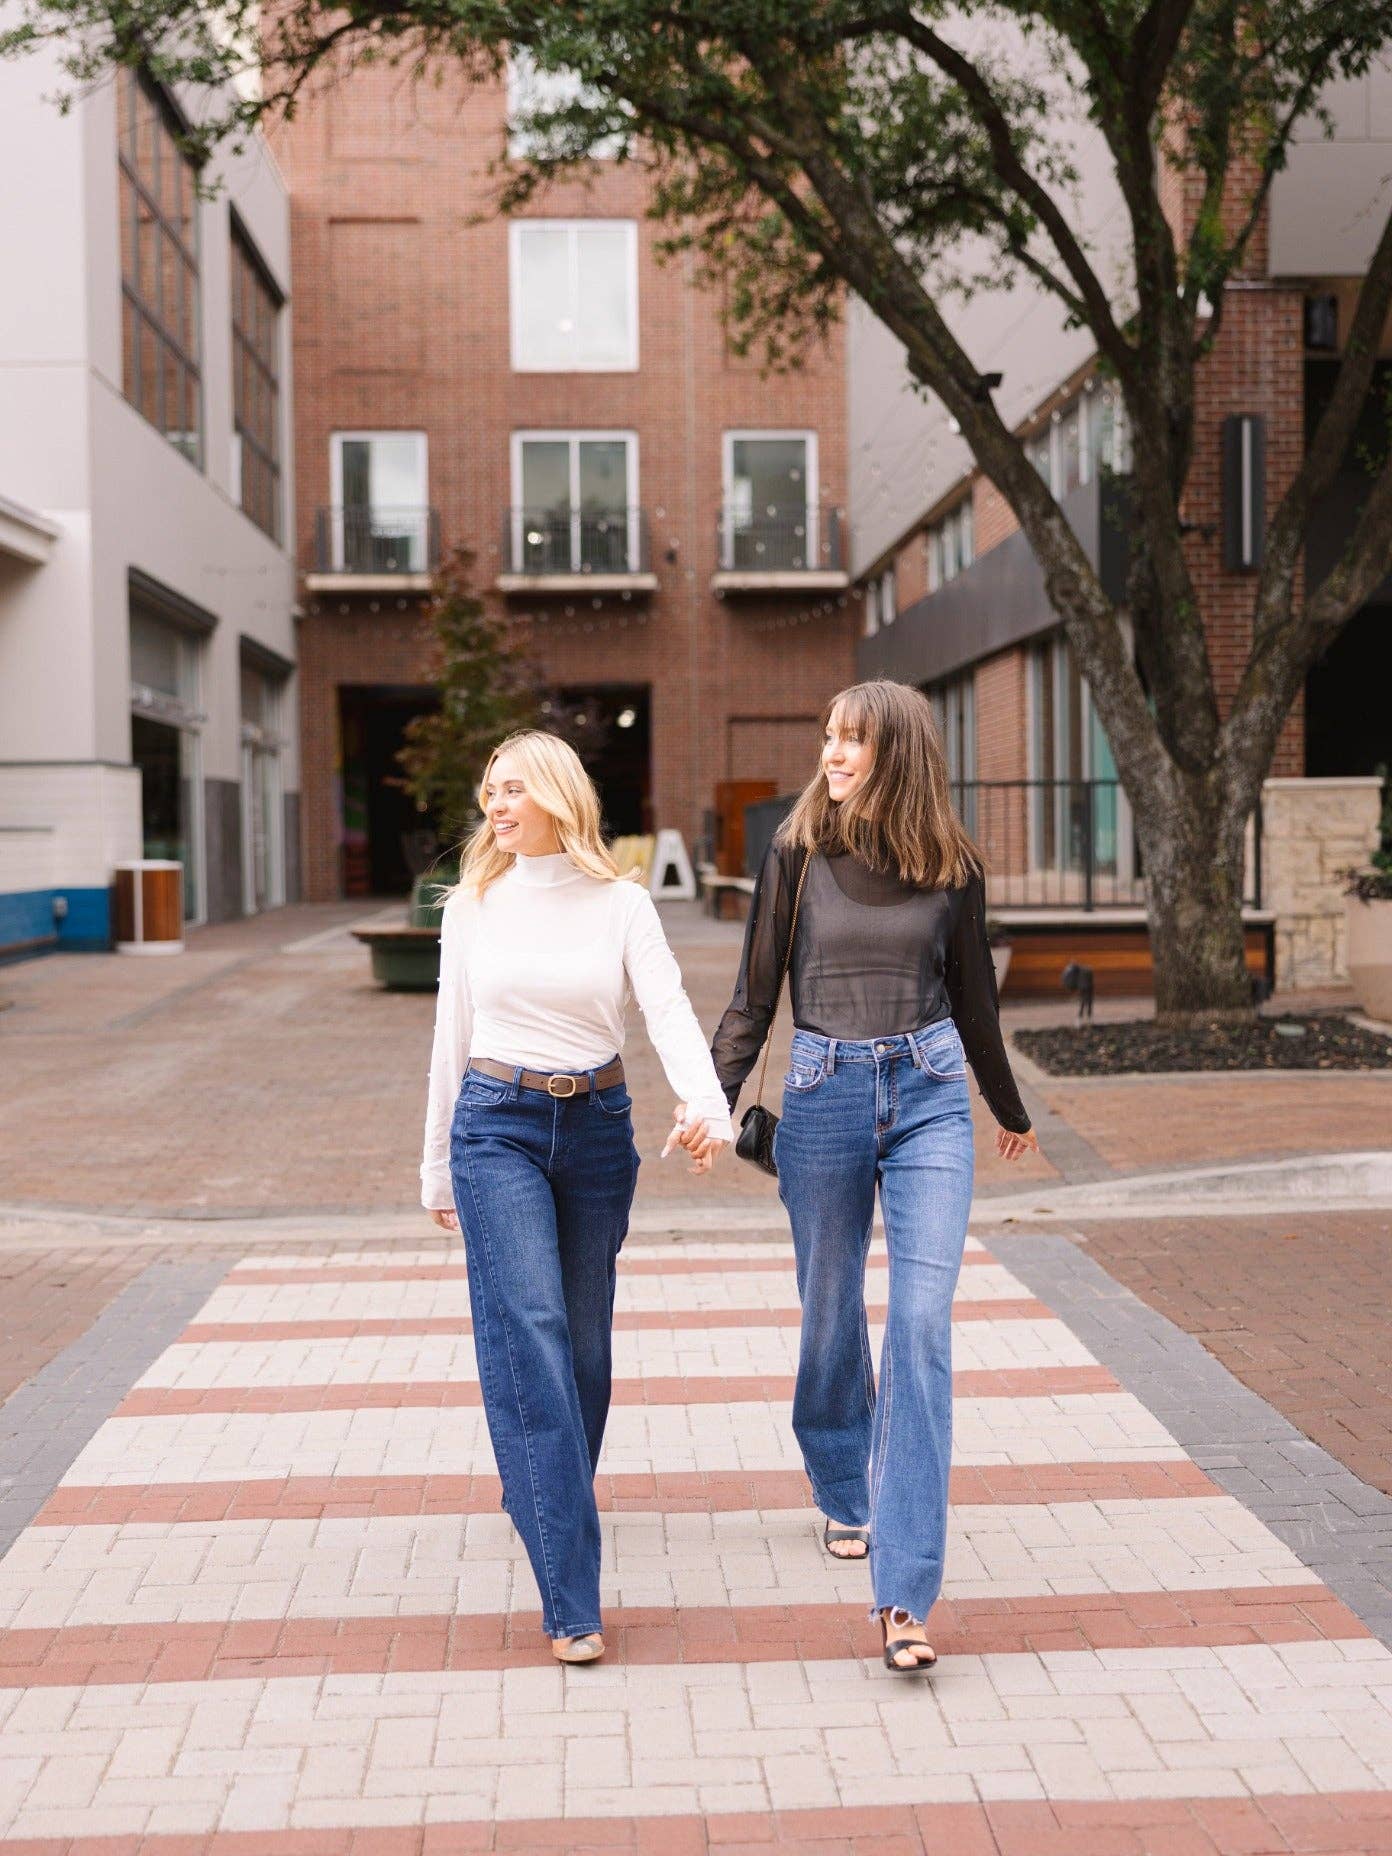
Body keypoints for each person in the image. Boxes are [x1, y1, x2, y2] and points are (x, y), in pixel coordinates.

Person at [698, 680, 1040, 1674]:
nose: (833, 753)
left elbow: (974, 994)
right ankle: (841, 1475)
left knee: (923, 1325)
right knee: (832, 1310)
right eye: (831, 735)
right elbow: (755, 993)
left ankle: (903, 1591)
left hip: (931, 1092)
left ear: (898, 751)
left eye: (853, 739)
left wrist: (1009, 1109)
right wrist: (710, 1099)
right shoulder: (799, 849)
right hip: (825, 1095)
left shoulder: (951, 863)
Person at [421, 731, 730, 1665]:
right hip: (496, 1127)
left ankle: (541, 1490)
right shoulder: (473, 907)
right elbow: (451, 1034)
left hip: (597, 1132)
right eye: (489, 791)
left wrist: (707, 1104)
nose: (496, 805)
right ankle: (571, 1595)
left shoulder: (622, 904)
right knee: (535, 1329)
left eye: (513, 788)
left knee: (586, 1355)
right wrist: (436, 1165)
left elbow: (669, 1008)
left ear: (558, 795)